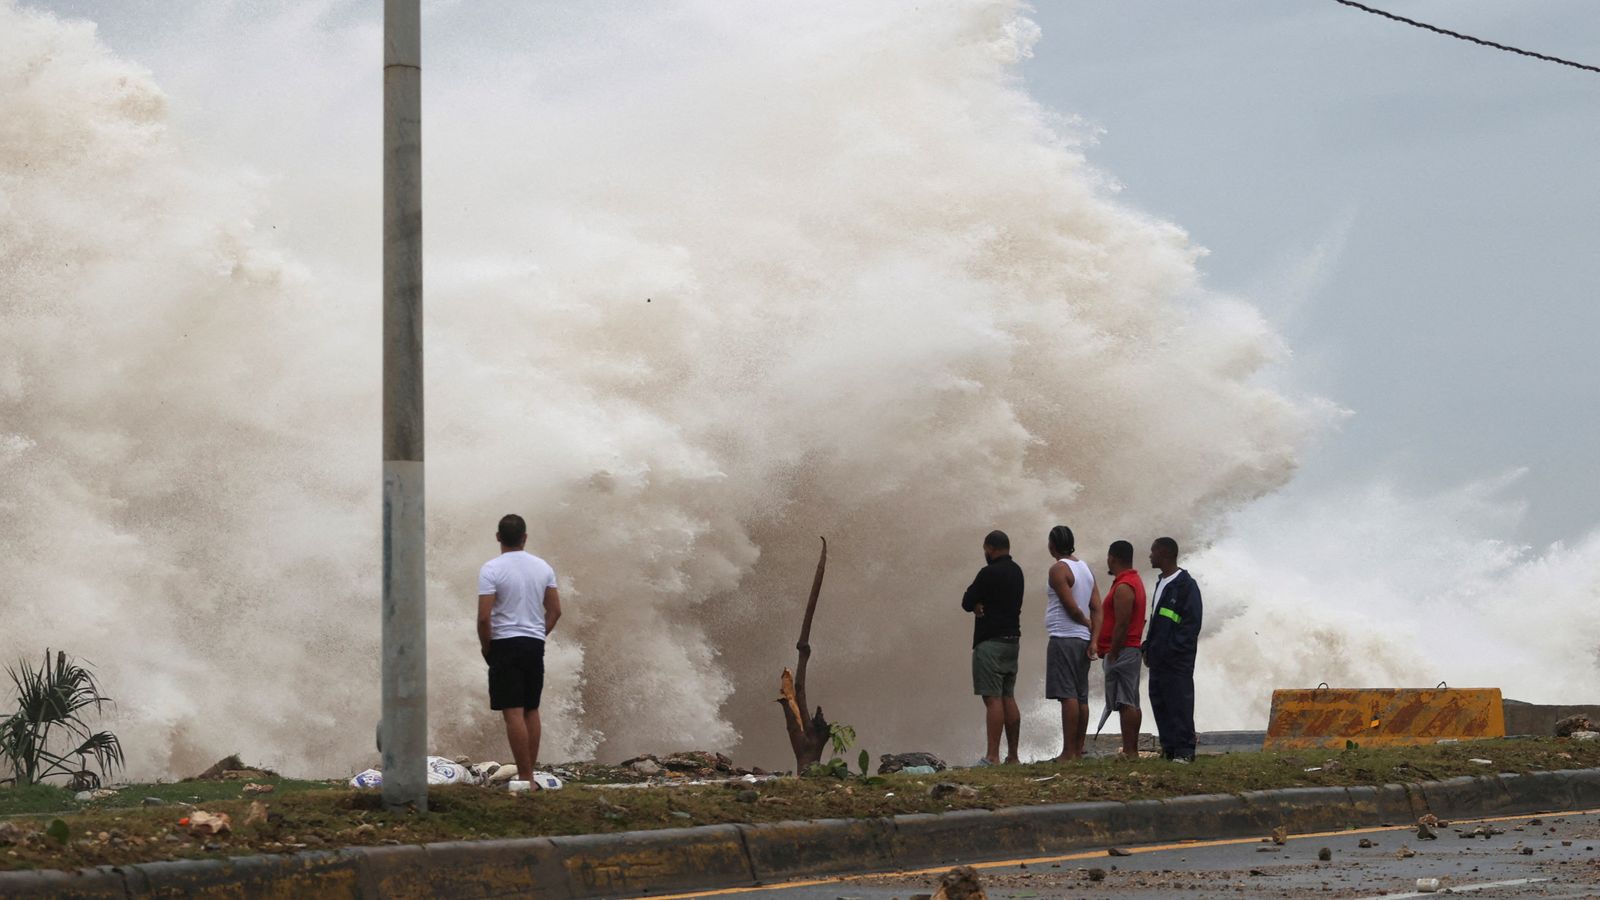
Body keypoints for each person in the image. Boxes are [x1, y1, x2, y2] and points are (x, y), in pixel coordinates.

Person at [477, 514, 562, 784]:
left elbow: (483, 617)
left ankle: (525, 776)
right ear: (525, 537)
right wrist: (538, 634)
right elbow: (555, 611)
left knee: (512, 711)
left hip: (504, 643)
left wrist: (486, 646)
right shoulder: (543, 567)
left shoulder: (491, 569)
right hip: (533, 643)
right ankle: (529, 773)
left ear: (498, 537)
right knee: (531, 709)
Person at [961, 529, 1024, 765]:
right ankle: (1013, 756)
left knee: (992, 699)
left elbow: (966, 601)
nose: (985, 553)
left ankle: (992, 756)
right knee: (1008, 696)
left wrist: (978, 602)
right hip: (1012, 641)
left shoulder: (988, 573)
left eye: (986, 549)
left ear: (991, 548)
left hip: (991, 642)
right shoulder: (1017, 572)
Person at [1144, 536, 1202, 762]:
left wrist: (1171, 650)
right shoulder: (1161, 583)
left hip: (1177, 662)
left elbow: (1191, 625)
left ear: (1165, 554)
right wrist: (1147, 647)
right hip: (1158, 660)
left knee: (1179, 704)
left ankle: (1185, 752)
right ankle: (1169, 750)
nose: (1150, 555)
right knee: (1160, 703)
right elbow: (1156, 621)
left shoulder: (1186, 585)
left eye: (1153, 551)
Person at [1043, 525, 1098, 761]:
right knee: (1080, 695)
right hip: (1083, 640)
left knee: (1068, 696)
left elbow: (1071, 607)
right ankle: (1077, 749)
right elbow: (1098, 606)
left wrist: (1084, 622)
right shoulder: (1084, 568)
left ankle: (1068, 752)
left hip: (1064, 637)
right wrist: (1093, 638)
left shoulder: (1058, 569)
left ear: (1052, 545)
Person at [1094, 540, 1146, 758]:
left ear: (1112, 557)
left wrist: (1113, 651)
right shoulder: (1131, 581)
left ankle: (1130, 751)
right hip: (1128, 650)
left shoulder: (1125, 585)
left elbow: (1122, 623)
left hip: (1124, 650)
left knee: (1126, 701)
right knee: (1130, 699)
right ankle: (1130, 749)